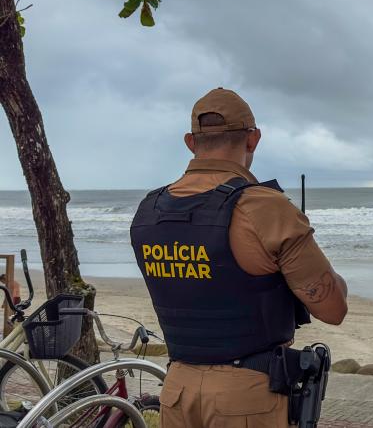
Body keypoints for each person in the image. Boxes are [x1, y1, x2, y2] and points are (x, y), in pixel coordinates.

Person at [130, 88, 348, 428]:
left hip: (177, 390)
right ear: (253, 139)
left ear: (190, 142)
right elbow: (333, 309)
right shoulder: (264, 207)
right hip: (246, 397)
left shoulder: (149, 210)